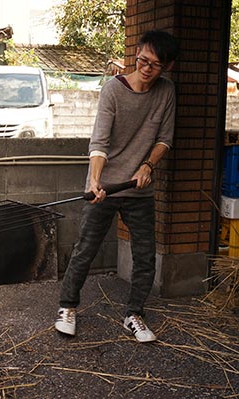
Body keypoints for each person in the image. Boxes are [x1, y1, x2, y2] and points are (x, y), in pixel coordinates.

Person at [54, 30, 180, 343]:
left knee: (145, 256)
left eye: (155, 64)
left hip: (139, 189)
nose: (147, 68)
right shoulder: (113, 90)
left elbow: (165, 139)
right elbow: (99, 142)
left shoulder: (166, 92)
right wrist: (95, 180)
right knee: (86, 250)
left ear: (167, 67)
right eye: (142, 60)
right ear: (135, 55)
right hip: (105, 186)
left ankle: (134, 314)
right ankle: (67, 307)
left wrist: (148, 166)